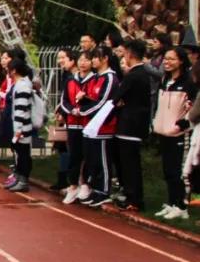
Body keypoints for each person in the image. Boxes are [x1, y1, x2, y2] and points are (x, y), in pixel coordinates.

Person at [153, 46, 195, 220]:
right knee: (167, 170)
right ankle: (171, 202)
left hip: (178, 133)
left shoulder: (188, 82)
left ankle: (181, 206)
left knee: (177, 170)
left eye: (171, 59)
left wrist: (182, 123)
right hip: (163, 132)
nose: (167, 62)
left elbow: (193, 108)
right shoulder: (165, 80)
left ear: (181, 61)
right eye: (166, 59)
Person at [110, 40, 151, 211]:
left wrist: (120, 102)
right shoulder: (143, 74)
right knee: (131, 163)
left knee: (129, 164)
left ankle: (133, 198)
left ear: (130, 54)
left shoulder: (133, 75)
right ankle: (133, 197)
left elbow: (116, 97)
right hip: (136, 124)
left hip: (129, 126)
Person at [76, 46, 119, 207]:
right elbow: (92, 98)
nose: (93, 60)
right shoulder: (96, 78)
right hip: (91, 126)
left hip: (104, 126)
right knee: (92, 159)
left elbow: (103, 102)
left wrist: (83, 111)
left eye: (96, 57)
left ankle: (105, 191)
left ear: (105, 58)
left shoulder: (110, 78)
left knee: (103, 160)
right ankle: (95, 187)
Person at [60, 50, 94, 204]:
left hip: (88, 124)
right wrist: (72, 111)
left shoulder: (95, 80)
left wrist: (83, 110)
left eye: (87, 60)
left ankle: (86, 184)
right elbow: (64, 101)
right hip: (73, 123)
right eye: (81, 60)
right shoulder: (70, 80)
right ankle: (73, 185)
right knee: (74, 155)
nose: (83, 63)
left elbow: (96, 100)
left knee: (87, 155)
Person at [50, 49, 79, 190]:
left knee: (70, 148)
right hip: (65, 114)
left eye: (63, 58)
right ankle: (63, 179)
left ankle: (70, 180)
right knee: (62, 146)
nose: (60, 61)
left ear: (73, 60)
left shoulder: (75, 78)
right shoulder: (66, 75)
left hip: (73, 116)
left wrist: (63, 110)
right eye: (59, 58)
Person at [6, 59, 34, 192]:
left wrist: (18, 129)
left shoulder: (22, 86)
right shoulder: (20, 84)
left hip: (23, 127)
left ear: (14, 71)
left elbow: (20, 109)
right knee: (19, 152)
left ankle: (23, 180)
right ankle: (19, 177)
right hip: (20, 125)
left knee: (23, 154)